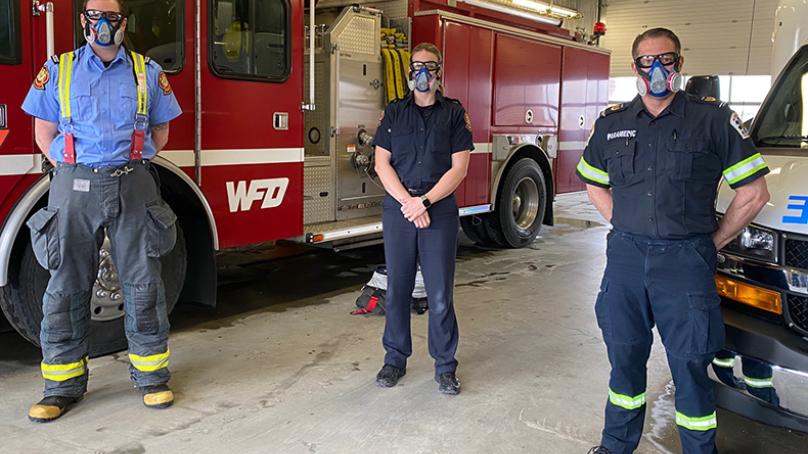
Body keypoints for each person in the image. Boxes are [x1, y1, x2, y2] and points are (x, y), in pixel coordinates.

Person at [577, 28, 770, 454]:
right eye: (647, 61)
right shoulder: (612, 123)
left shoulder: (714, 120)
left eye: (667, 59)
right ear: (634, 68)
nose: (657, 69)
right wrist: (625, 224)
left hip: (685, 262)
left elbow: (754, 192)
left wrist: (712, 241)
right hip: (626, 261)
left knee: (689, 366)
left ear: (680, 65)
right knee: (624, 360)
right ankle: (615, 446)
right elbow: (594, 184)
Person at [21, 0, 182, 422]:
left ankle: (152, 377)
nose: (103, 23)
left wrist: (130, 158)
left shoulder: (147, 71)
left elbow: (161, 130)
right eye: (95, 15)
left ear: (124, 22)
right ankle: (62, 386)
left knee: (144, 281)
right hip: (74, 184)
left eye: (111, 16)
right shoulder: (60, 68)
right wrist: (73, 167)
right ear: (83, 21)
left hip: (134, 181)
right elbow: (44, 131)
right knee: (66, 285)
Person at [372, 42, 473, 395]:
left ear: (440, 71)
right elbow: (381, 163)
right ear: (408, 71)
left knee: (440, 293)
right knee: (397, 289)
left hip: (439, 210)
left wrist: (425, 202)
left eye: (430, 66)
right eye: (417, 66)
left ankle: (445, 366)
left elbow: (459, 168)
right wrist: (408, 203)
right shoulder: (395, 113)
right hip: (400, 211)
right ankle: (394, 359)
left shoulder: (454, 114)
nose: (423, 73)